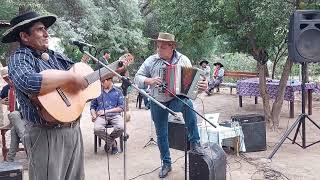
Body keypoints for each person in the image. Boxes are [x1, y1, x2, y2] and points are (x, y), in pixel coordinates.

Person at [2, 11, 88, 180]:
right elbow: (29, 82)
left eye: (46, 29)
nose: (46, 33)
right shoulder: (19, 58)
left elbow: (81, 75)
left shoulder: (55, 56)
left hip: (73, 130)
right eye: (40, 29)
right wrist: (69, 77)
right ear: (24, 36)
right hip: (45, 134)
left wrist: (107, 72)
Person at [134, 32, 207, 178]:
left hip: (175, 99)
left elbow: (193, 86)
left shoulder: (183, 60)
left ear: (171, 47)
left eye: (162, 47)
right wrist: (150, 81)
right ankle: (166, 164)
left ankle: (195, 142)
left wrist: (202, 86)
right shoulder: (151, 60)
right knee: (162, 134)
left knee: (188, 104)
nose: (158, 50)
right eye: (158, 46)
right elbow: (137, 77)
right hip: (157, 101)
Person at [90, 77, 124, 154]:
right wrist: (94, 115)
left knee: (121, 127)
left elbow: (121, 108)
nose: (101, 83)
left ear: (109, 80)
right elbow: (92, 107)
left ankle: (109, 142)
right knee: (97, 129)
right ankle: (113, 143)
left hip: (115, 115)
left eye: (103, 81)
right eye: (101, 82)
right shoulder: (97, 92)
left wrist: (106, 111)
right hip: (101, 116)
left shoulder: (118, 91)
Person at [0, 66, 26, 162]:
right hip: (14, 119)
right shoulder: (6, 89)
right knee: (14, 114)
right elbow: (0, 98)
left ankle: (9, 159)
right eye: (5, 78)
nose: (8, 80)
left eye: (9, 77)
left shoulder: (23, 86)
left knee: (14, 131)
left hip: (26, 117)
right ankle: (27, 143)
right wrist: (2, 101)